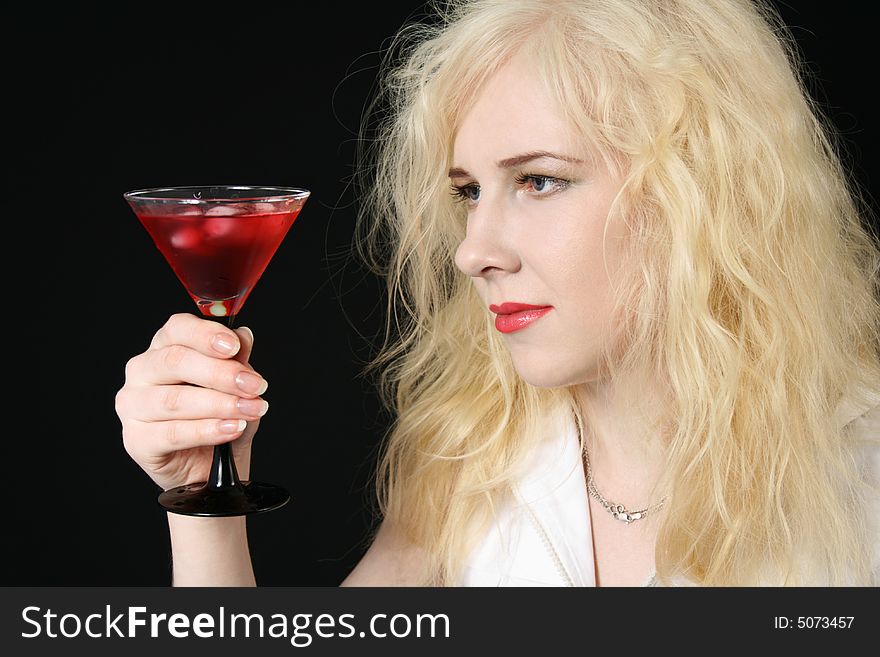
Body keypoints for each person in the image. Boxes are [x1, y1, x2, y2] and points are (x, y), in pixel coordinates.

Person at [115, 0, 880, 587]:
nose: (473, 251)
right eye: (469, 191)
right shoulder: (469, 463)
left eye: (539, 180)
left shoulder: (860, 472)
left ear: (698, 188)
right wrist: (202, 505)